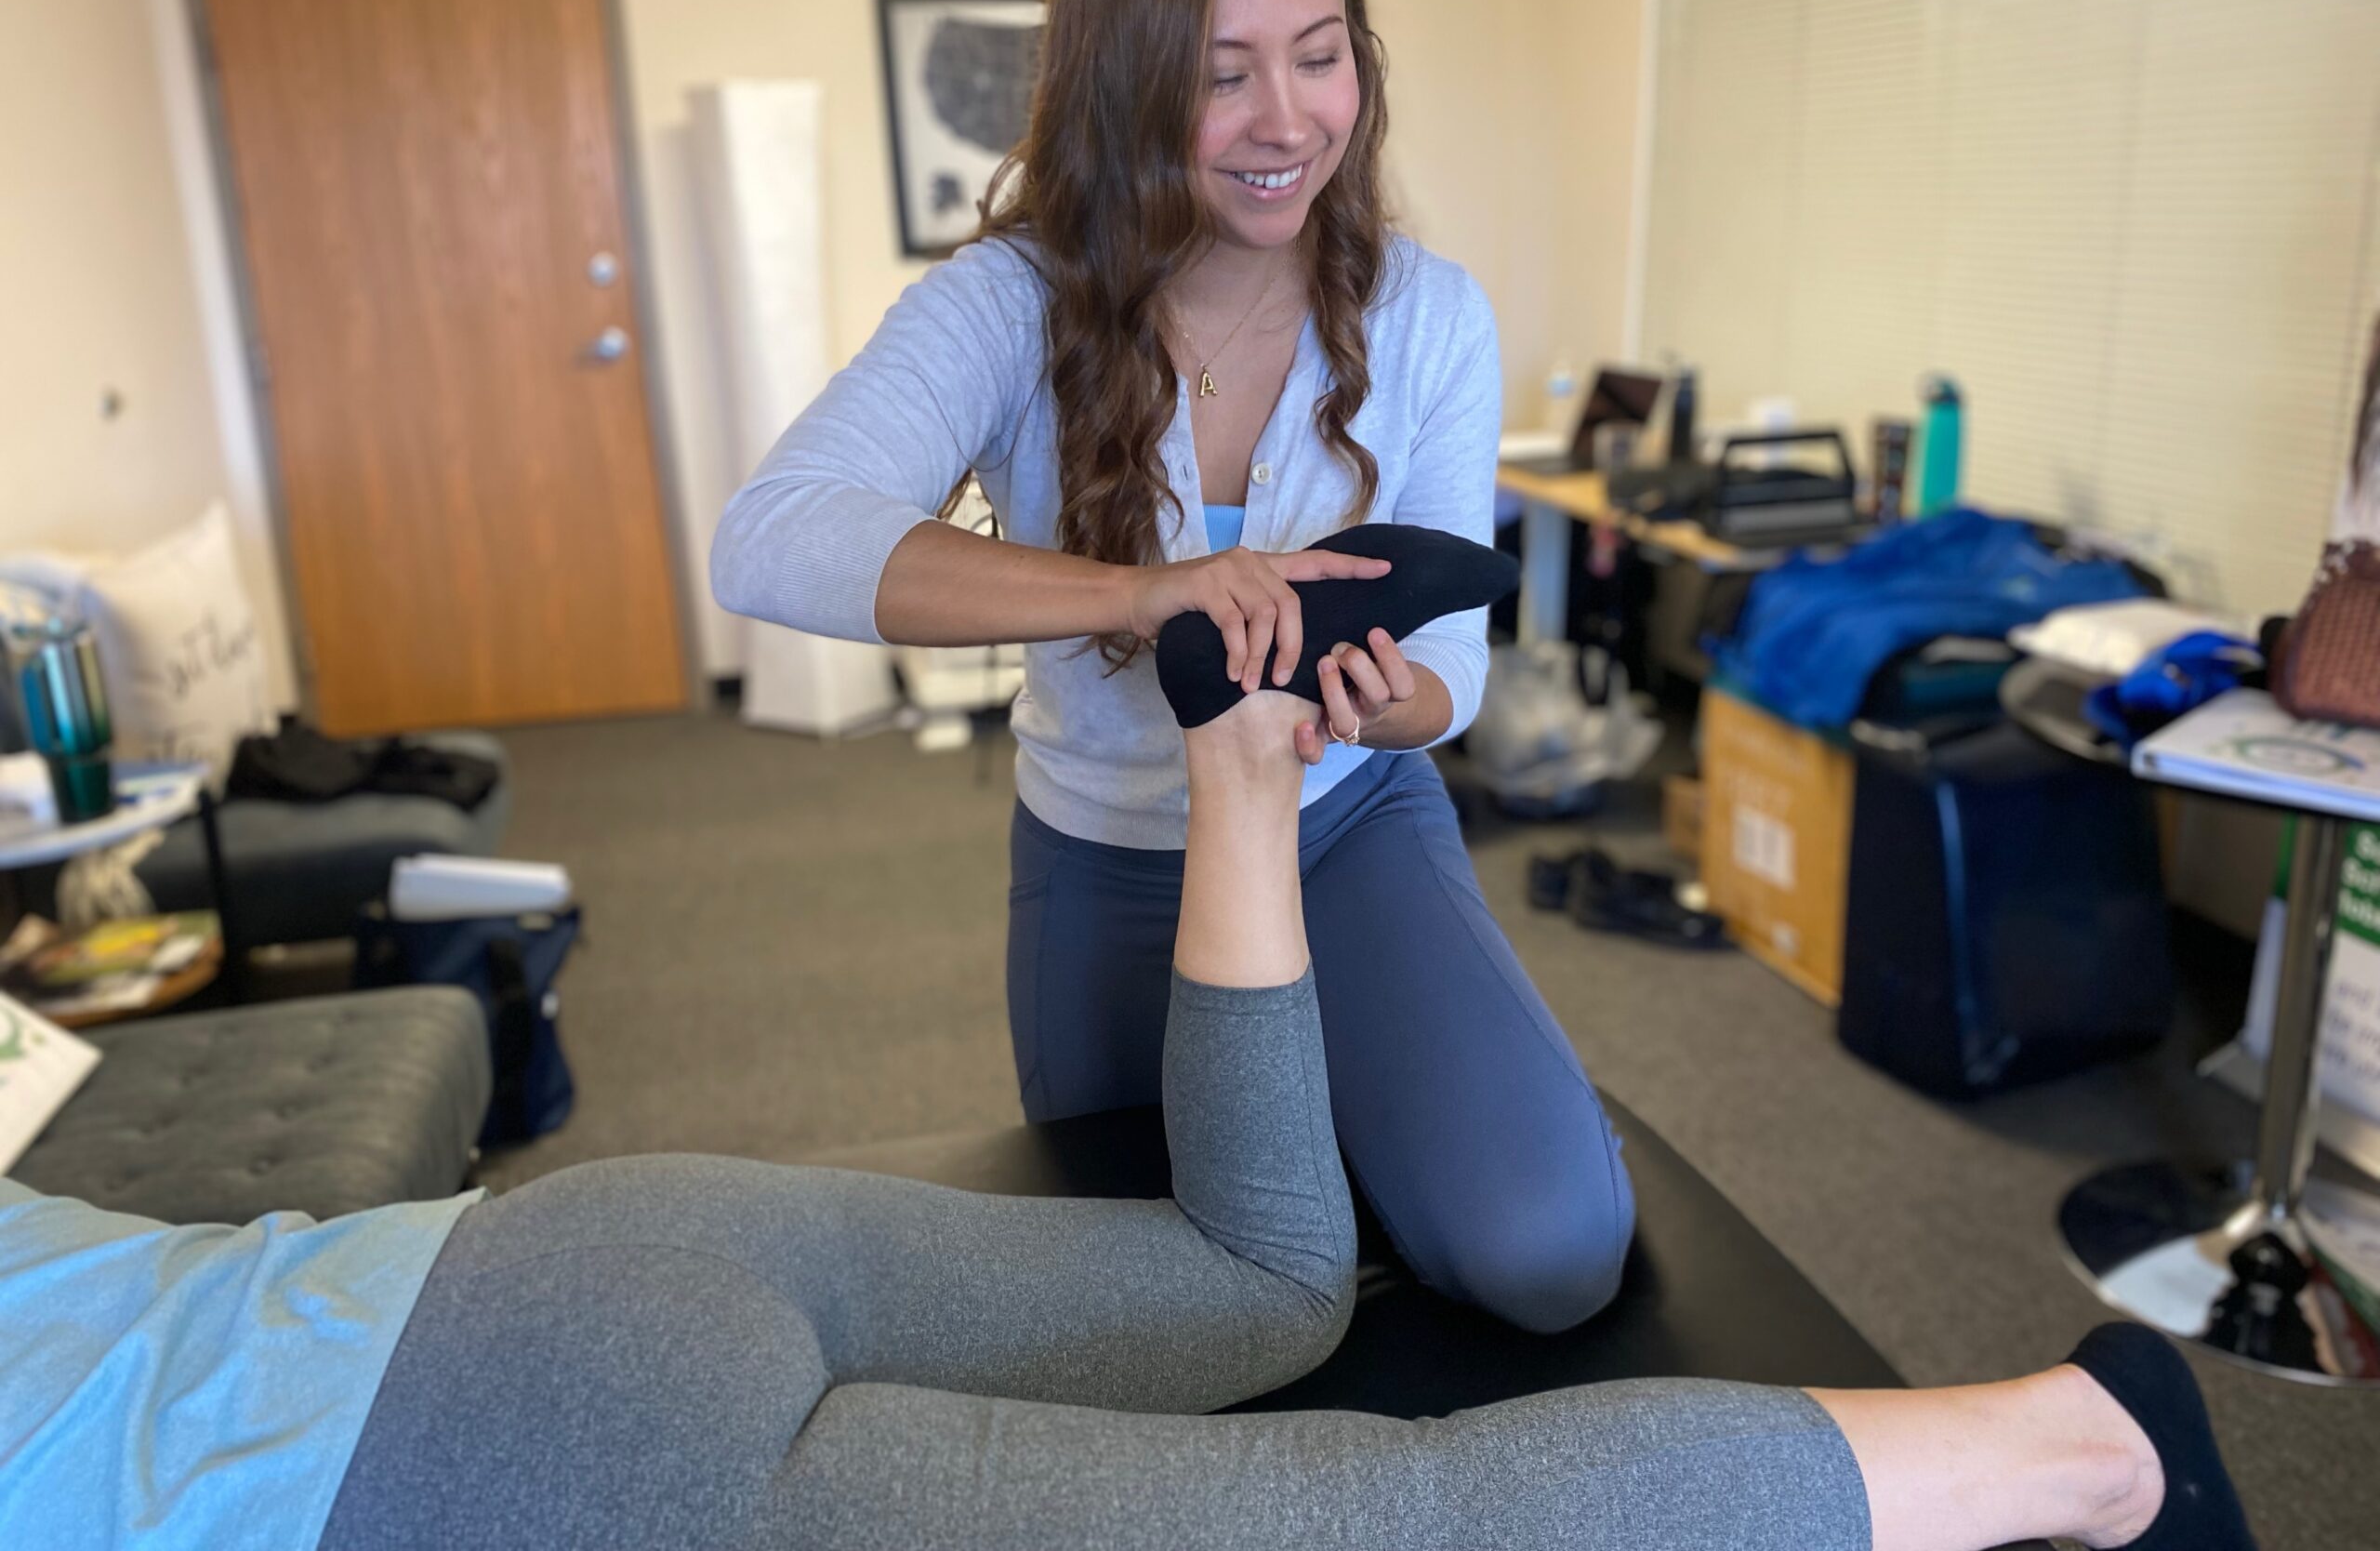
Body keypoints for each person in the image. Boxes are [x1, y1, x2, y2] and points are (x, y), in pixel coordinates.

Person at [0, 644, 2254, 1551]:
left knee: (1409, 1529)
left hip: (519, 1473)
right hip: (558, 1257)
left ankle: (2086, 1451)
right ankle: (1241, 778)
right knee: (1265, 1282)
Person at [711, 0, 1633, 1333]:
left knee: (1547, 1256)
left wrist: (1389, 702)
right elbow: (772, 536)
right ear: (1125, 81)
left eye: (1320, 58)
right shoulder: (1007, 305)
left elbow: (1452, 667)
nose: (1287, 121)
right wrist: (1141, 594)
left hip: (1353, 834)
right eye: (1221, 75)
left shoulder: (1430, 318)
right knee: (1164, 1318)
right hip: (1111, 862)